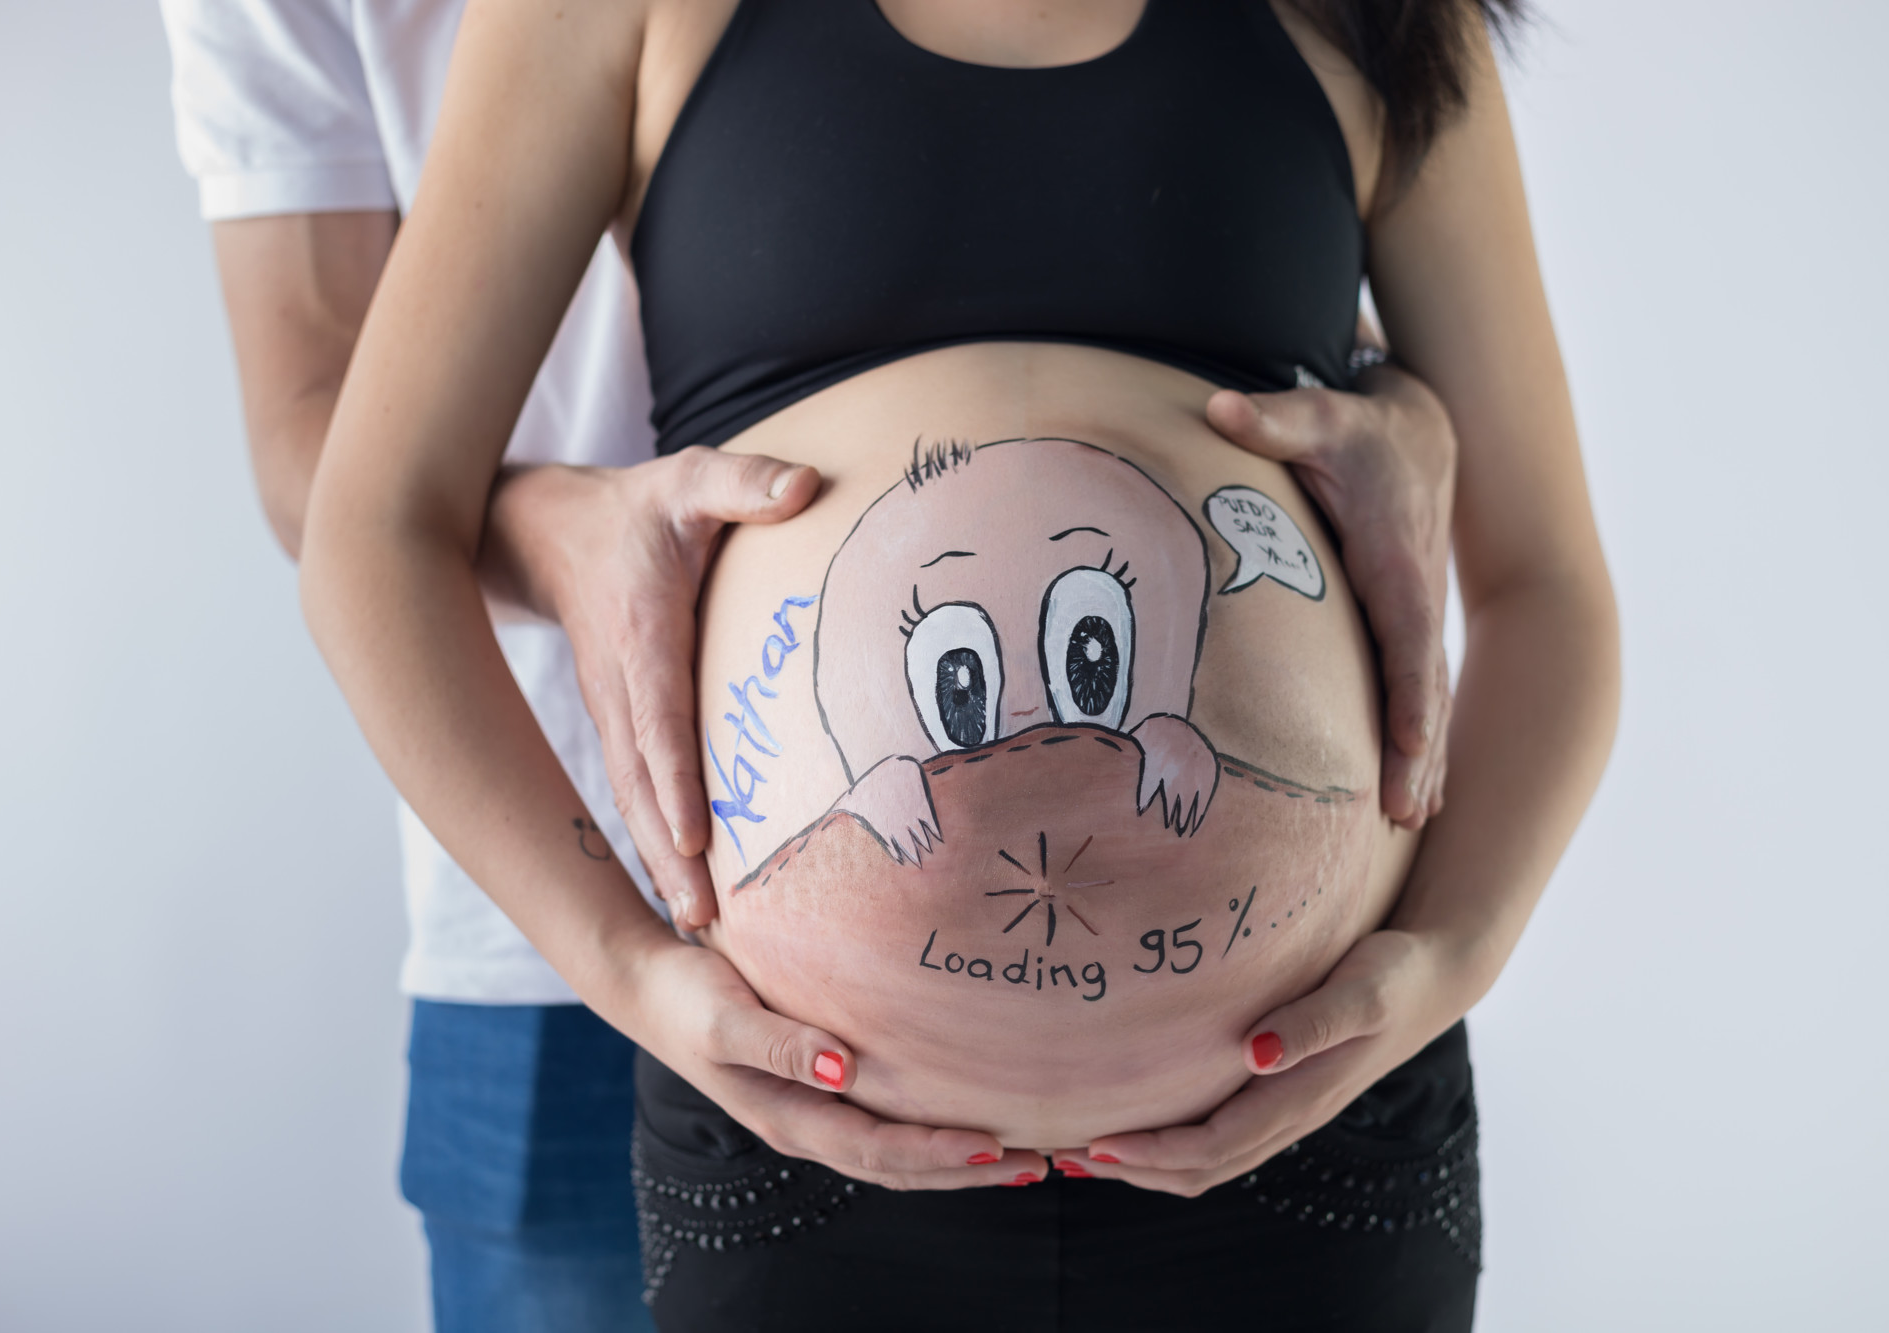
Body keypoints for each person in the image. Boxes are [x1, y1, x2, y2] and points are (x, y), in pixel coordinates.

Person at [163, 0, 1475, 1328]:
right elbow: (357, 507)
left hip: (1310, 1123)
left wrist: (1453, 957)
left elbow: (1544, 573)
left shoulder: (1383, 24)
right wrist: (626, 967)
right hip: (771, 1076)